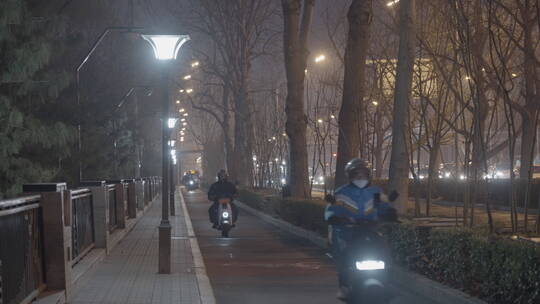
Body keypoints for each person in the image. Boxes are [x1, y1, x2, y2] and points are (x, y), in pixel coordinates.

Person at [324, 158, 397, 300]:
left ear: (368, 175)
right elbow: (331, 210)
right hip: (349, 233)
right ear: (350, 176)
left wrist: (389, 213)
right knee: (345, 257)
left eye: (362, 174)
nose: (360, 177)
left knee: (385, 252)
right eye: (356, 174)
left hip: (371, 231)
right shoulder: (342, 193)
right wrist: (333, 217)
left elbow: (383, 207)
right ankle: (344, 285)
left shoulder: (376, 192)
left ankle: (388, 282)